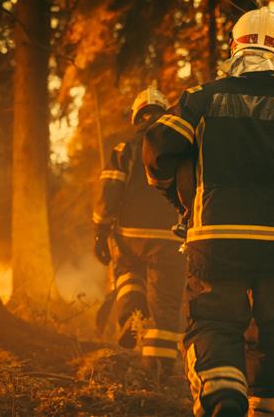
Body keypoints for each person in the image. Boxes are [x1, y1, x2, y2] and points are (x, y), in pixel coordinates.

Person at [143, 7, 274, 417]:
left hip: (215, 238)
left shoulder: (200, 99)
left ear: (234, 48)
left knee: (215, 321)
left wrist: (177, 198)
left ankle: (224, 394)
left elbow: (158, 150)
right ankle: (270, 404)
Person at [92, 87, 186, 380]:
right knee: (166, 302)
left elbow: (109, 191)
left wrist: (100, 230)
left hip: (130, 235)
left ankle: (132, 319)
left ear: (136, 117)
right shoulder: (182, 152)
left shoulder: (124, 149)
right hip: (171, 237)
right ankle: (159, 369)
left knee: (127, 274)